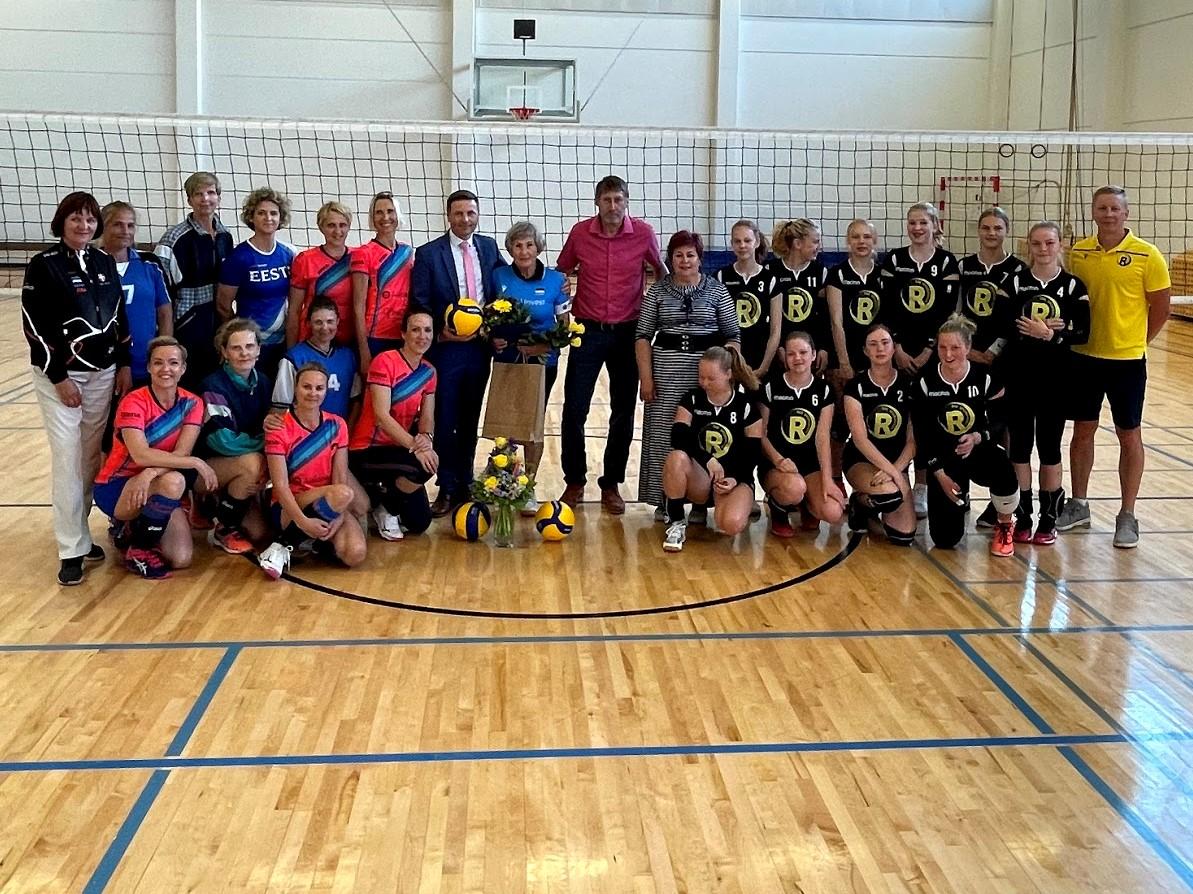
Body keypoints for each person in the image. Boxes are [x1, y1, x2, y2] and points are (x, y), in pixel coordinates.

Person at [23, 191, 131, 585]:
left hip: (103, 374)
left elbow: (118, 315)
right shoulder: (44, 265)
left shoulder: (103, 261)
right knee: (68, 458)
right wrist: (59, 378)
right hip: (62, 379)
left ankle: (81, 533)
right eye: (76, 219)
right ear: (62, 223)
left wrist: (123, 363)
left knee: (89, 458)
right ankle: (70, 549)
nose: (84, 226)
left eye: (89, 219)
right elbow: (34, 327)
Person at [1057, 186, 1172, 548]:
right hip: (1084, 357)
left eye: (1114, 208)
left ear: (1126, 213)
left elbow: (1162, 308)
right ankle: (1079, 504)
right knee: (1082, 432)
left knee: (1129, 435)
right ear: (1094, 212)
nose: (1108, 214)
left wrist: (1137, 341)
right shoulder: (1079, 253)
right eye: (1102, 208)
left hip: (1127, 362)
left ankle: (1127, 514)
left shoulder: (1147, 255)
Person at [556, 175, 665, 513]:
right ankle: (574, 481)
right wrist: (562, 308)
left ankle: (612, 483)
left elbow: (661, 273)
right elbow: (561, 272)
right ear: (597, 202)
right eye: (607, 200)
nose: (613, 206)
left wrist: (655, 315)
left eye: (619, 199)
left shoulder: (644, 233)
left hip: (628, 333)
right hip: (587, 330)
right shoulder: (580, 233)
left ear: (626, 201)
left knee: (623, 411)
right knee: (574, 409)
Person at [412, 189, 505, 516]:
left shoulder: (489, 247)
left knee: (469, 417)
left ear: (477, 215)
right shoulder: (429, 254)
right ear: (448, 216)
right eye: (459, 213)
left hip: (479, 347)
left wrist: (555, 281)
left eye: (470, 213)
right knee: (445, 417)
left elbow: (506, 284)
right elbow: (420, 301)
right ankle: (447, 485)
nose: (465, 219)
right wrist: (440, 332)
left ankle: (465, 481)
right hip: (447, 348)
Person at [635, 230, 740, 515]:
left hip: (704, 376)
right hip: (665, 374)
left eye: (690, 255)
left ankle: (701, 501)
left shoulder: (717, 291)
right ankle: (667, 499)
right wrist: (646, 378)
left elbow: (733, 336)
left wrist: (723, 375)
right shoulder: (657, 291)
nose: (684, 260)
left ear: (699, 258)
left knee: (703, 433)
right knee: (663, 434)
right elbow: (642, 336)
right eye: (678, 255)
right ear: (670, 259)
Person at [999, 221, 1090, 545]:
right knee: (1020, 448)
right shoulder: (1014, 282)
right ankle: (1023, 517)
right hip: (1020, 377)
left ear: (1060, 245)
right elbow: (1004, 325)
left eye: (1049, 243)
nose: (1043, 249)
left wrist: (1050, 334)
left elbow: (1083, 332)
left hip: (1056, 379)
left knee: (1050, 448)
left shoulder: (1073, 286)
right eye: (1037, 243)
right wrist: (1036, 330)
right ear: (1029, 246)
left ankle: (1048, 520)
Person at [94, 337, 215, 579]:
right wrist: (195, 462)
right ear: (149, 367)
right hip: (117, 485)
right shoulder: (133, 402)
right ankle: (139, 548)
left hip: (156, 483)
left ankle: (133, 529)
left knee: (181, 559)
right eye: (158, 362)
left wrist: (150, 473)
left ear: (183, 368)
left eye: (173, 363)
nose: (165, 369)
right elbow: (140, 454)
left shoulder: (193, 403)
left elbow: (181, 454)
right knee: (175, 481)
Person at [914, 315, 1019, 556]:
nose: (948, 354)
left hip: (977, 449)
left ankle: (1005, 525)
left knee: (1002, 466)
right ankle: (961, 495)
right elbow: (923, 433)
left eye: (955, 347)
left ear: (968, 347)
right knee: (945, 539)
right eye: (942, 347)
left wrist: (978, 437)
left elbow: (1000, 420)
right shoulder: (926, 381)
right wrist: (939, 474)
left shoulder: (985, 377)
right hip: (944, 458)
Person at [881, 201, 961, 517]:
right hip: (898, 353)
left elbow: (946, 311)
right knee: (900, 419)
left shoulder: (946, 261)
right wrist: (897, 348)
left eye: (923, 223)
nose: (917, 228)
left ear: (935, 225)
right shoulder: (894, 259)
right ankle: (895, 480)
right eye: (912, 222)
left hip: (934, 354)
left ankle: (923, 487)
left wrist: (930, 349)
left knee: (927, 421)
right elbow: (886, 307)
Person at [490, 221, 571, 514]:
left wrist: (541, 348)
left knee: (532, 425)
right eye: (518, 245)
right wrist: (494, 338)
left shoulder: (556, 281)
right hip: (507, 360)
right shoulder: (498, 276)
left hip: (542, 362)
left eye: (529, 245)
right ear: (510, 249)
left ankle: (527, 486)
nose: (524, 251)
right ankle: (503, 482)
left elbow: (565, 329)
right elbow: (489, 316)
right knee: (506, 423)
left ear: (538, 248)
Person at [260, 363, 367, 579]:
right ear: (295, 389)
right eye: (306, 387)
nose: (313, 393)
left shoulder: (337, 425)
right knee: (343, 493)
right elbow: (280, 486)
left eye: (319, 388)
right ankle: (281, 545)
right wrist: (303, 522)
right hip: (290, 504)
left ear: (326, 391)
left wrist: (338, 516)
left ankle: (313, 543)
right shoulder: (278, 427)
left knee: (355, 554)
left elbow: (340, 477)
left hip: (332, 500)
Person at [660, 346, 762, 552]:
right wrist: (708, 459)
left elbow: (753, 453)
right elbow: (678, 436)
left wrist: (735, 478)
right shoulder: (692, 399)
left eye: (711, 378)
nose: (704, 383)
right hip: (702, 477)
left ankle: (733, 504)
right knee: (676, 457)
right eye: (701, 377)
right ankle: (677, 523)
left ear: (728, 374)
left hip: (733, 478)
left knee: (730, 525)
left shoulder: (746, 405)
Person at [349, 309, 439, 541]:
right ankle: (386, 508)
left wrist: (426, 439)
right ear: (403, 334)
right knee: (421, 466)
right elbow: (381, 416)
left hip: (398, 449)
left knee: (419, 523)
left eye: (427, 330)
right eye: (415, 330)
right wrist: (416, 447)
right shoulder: (385, 361)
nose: (422, 336)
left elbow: (427, 418)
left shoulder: (429, 371)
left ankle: (385, 496)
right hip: (367, 448)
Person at [759, 331, 846, 536]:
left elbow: (822, 437)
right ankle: (778, 508)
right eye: (791, 354)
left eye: (803, 352)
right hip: (776, 464)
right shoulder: (771, 386)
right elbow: (760, 434)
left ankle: (807, 505)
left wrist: (828, 479)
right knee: (794, 488)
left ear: (813, 355)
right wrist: (779, 460)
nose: (797, 358)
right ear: (784, 357)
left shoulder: (823, 390)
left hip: (809, 465)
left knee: (833, 511)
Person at [198, 318, 273, 554]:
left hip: (244, 467)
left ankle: (220, 504)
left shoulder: (264, 382)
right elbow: (223, 441)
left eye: (249, 346)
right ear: (224, 352)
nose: (244, 353)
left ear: (259, 349)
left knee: (260, 534)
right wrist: (263, 446)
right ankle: (223, 527)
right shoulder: (213, 384)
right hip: (206, 468)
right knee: (253, 463)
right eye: (236, 348)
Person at [154, 171, 234, 386]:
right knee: (186, 384)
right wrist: (167, 338)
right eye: (198, 194)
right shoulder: (174, 238)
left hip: (217, 327)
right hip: (186, 327)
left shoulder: (225, 235)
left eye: (211, 193)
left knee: (214, 384)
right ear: (189, 200)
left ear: (218, 197)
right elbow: (161, 292)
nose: (205, 199)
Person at [841, 323, 917, 545]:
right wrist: (895, 475)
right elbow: (860, 439)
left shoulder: (908, 384)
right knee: (891, 495)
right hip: (862, 460)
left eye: (885, 343)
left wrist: (897, 470)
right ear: (865, 351)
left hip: (896, 462)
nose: (880, 349)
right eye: (873, 344)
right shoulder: (856, 386)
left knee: (904, 536)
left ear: (894, 347)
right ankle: (859, 502)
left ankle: (869, 504)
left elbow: (912, 441)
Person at [216, 187, 295, 376]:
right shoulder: (239, 257)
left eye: (273, 213)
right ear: (251, 217)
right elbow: (223, 305)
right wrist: (238, 337)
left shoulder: (288, 254)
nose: (268, 218)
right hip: (251, 346)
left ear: (280, 218)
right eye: (261, 213)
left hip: (282, 343)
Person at [99, 202, 173, 387]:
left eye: (130, 225)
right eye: (117, 224)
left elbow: (165, 312)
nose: (125, 231)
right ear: (102, 227)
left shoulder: (149, 263)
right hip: (103, 366)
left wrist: (164, 352)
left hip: (145, 361)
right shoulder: (90, 265)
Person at [352, 192, 415, 367]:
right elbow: (358, 306)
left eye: (390, 211)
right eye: (379, 212)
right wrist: (364, 350)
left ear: (397, 214)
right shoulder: (363, 253)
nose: (385, 217)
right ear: (372, 218)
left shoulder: (407, 252)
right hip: (375, 337)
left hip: (403, 335)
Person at [273, 298, 361, 422]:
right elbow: (280, 406)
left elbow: (355, 401)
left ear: (337, 322)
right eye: (318, 322)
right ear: (308, 323)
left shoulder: (348, 356)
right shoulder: (294, 357)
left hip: (339, 431)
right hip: (304, 430)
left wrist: (347, 430)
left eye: (330, 321)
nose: (325, 328)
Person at [958, 208, 1026, 366]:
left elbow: (1017, 315)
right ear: (978, 230)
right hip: (967, 348)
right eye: (986, 228)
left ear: (1007, 230)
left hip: (1004, 350)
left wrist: (994, 350)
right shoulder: (964, 265)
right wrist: (964, 347)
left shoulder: (1018, 268)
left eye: (998, 228)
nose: (991, 233)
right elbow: (957, 310)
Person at [716, 219, 780, 379]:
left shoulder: (770, 279)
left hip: (761, 358)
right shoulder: (721, 276)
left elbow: (776, 330)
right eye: (737, 241)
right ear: (732, 244)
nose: (742, 245)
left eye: (747, 240)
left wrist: (764, 367)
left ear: (756, 242)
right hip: (729, 359)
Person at [287, 201, 355, 348]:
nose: (337, 231)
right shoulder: (305, 260)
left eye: (342, 225)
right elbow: (294, 311)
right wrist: (291, 351)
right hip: (315, 338)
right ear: (321, 227)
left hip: (350, 339)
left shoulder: (358, 257)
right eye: (331, 225)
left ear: (349, 226)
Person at [826, 218, 885, 382]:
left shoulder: (883, 274)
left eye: (867, 236)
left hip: (876, 353)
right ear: (848, 241)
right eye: (855, 237)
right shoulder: (837, 273)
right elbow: (836, 321)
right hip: (846, 353)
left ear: (874, 240)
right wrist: (843, 362)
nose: (861, 241)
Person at [767, 219, 829, 374]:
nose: (819, 247)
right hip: (780, 349)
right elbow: (767, 317)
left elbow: (824, 316)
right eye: (815, 242)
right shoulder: (770, 270)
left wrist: (823, 347)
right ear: (797, 244)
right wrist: (778, 347)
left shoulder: (820, 271)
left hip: (810, 350)